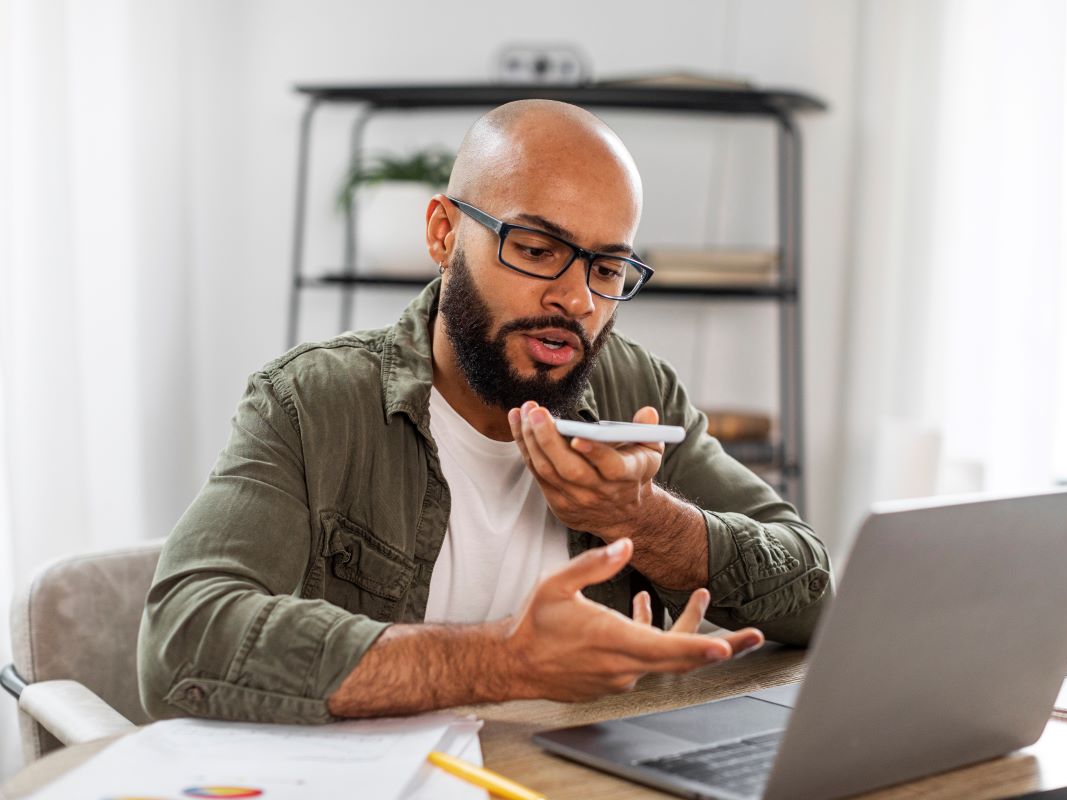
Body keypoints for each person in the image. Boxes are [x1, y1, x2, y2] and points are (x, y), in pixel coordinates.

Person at [137, 99, 832, 723]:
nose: (578, 299)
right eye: (535, 250)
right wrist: (504, 661)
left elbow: (817, 592)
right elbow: (184, 638)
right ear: (443, 233)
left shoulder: (634, 391)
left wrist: (643, 521)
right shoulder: (313, 404)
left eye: (608, 269)